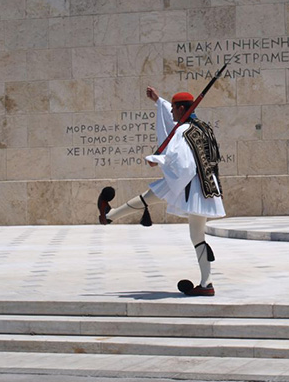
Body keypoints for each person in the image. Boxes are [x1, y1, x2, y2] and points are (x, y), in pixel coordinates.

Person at [97, 87, 226, 297]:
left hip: (191, 185)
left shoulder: (183, 132)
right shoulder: (203, 127)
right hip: (207, 186)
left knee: (159, 201)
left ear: (181, 108)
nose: (172, 113)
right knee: (161, 204)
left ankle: (109, 217)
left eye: (174, 108)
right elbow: (173, 120)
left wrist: (157, 160)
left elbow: (182, 163)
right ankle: (109, 216)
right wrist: (158, 100)